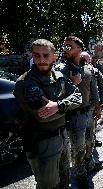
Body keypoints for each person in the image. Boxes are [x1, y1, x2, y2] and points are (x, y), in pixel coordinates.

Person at [13, 39, 82, 189]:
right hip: (43, 142)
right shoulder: (25, 82)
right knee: (48, 185)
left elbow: (78, 97)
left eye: (46, 55)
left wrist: (58, 105)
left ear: (54, 56)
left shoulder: (59, 76)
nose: (41, 60)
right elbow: (43, 115)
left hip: (63, 135)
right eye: (37, 56)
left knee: (65, 178)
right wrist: (65, 105)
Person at [56, 36, 103, 188]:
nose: (65, 49)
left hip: (90, 112)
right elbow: (57, 94)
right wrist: (72, 83)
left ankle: (90, 165)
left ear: (79, 49)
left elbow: (94, 90)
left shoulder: (88, 68)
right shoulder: (60, 69)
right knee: (78, 147)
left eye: (69, 46)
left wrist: (97, 107)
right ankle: (80, 174)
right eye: (64, 46)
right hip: (74, 115)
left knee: (90, 142)